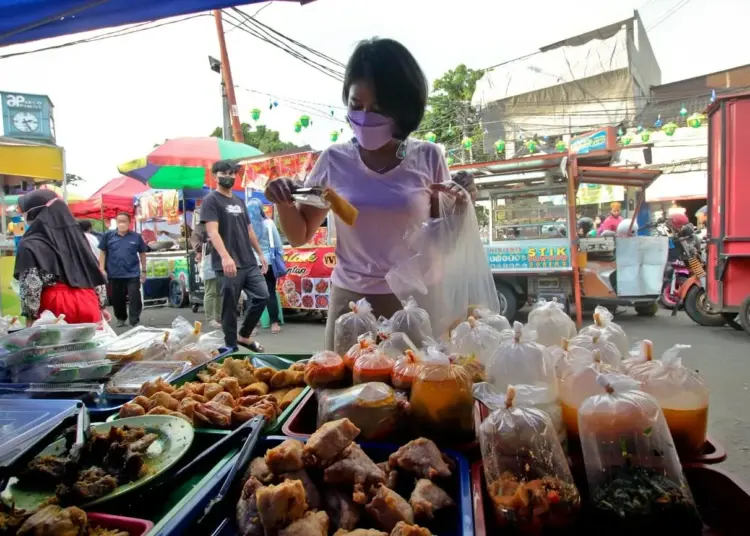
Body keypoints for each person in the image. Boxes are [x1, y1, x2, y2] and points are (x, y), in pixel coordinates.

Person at [264, 38, 476, 351]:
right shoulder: (334, 160)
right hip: (352, 302)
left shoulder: (429, 157)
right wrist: (283, 201)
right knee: (343, 393)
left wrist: (462, 205)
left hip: (415, 301)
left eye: (377, 108)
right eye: (356, 105)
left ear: (402, 107)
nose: (365, 116)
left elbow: (443, 239)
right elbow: (299, 235)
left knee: (418, 391)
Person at [201, 161, 269, 350]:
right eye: (224, 172)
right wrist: (225, 256)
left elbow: (249, 231)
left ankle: (244, 335)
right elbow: (213, 232)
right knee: (229, 307)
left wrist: (261, 254)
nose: (229, 176)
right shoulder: (211, 201)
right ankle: (231, 346)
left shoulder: (239, 201)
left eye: (232, 173)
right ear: (214, 176)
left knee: (262, 296)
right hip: (228, 264)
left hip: (248, 261)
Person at [14, 190, 109, 324]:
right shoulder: (78, 238)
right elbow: (93, 272)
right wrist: (101, 306)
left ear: (34, 212)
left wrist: (31, 316)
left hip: (55, 310)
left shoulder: (30, 243)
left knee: (56, 344)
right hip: (88, 301)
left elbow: (31, 284)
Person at [98, 212, 148, 327]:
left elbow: (142, 253)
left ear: (129, 223)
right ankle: (121, 317)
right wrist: (102, 268)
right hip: (114, 272)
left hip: (133, 273)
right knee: (117, 298)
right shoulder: (108, 236)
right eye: (119, 221)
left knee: (134, 296)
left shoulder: (136, 237)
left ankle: (134, 319)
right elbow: (103, 252)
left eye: (124, 221)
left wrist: (144, 270)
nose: (121, 224)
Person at [247, 199, 284, 334]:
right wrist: (281, 256)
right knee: (270, 293)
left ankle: (252, 326)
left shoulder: (246, 225)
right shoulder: (268, 223)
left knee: (252, 296)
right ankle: (274, 324)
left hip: (251, 264)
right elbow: (278, 244)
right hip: (267, 262)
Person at [191, 222, 222, 329]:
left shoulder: (216, 224)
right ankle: (211, 319)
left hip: (219, 260)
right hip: (209, 261)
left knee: (219, 292)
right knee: (211, 291)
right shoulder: (201, 227)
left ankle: (218, 316)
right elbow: (196, 243)